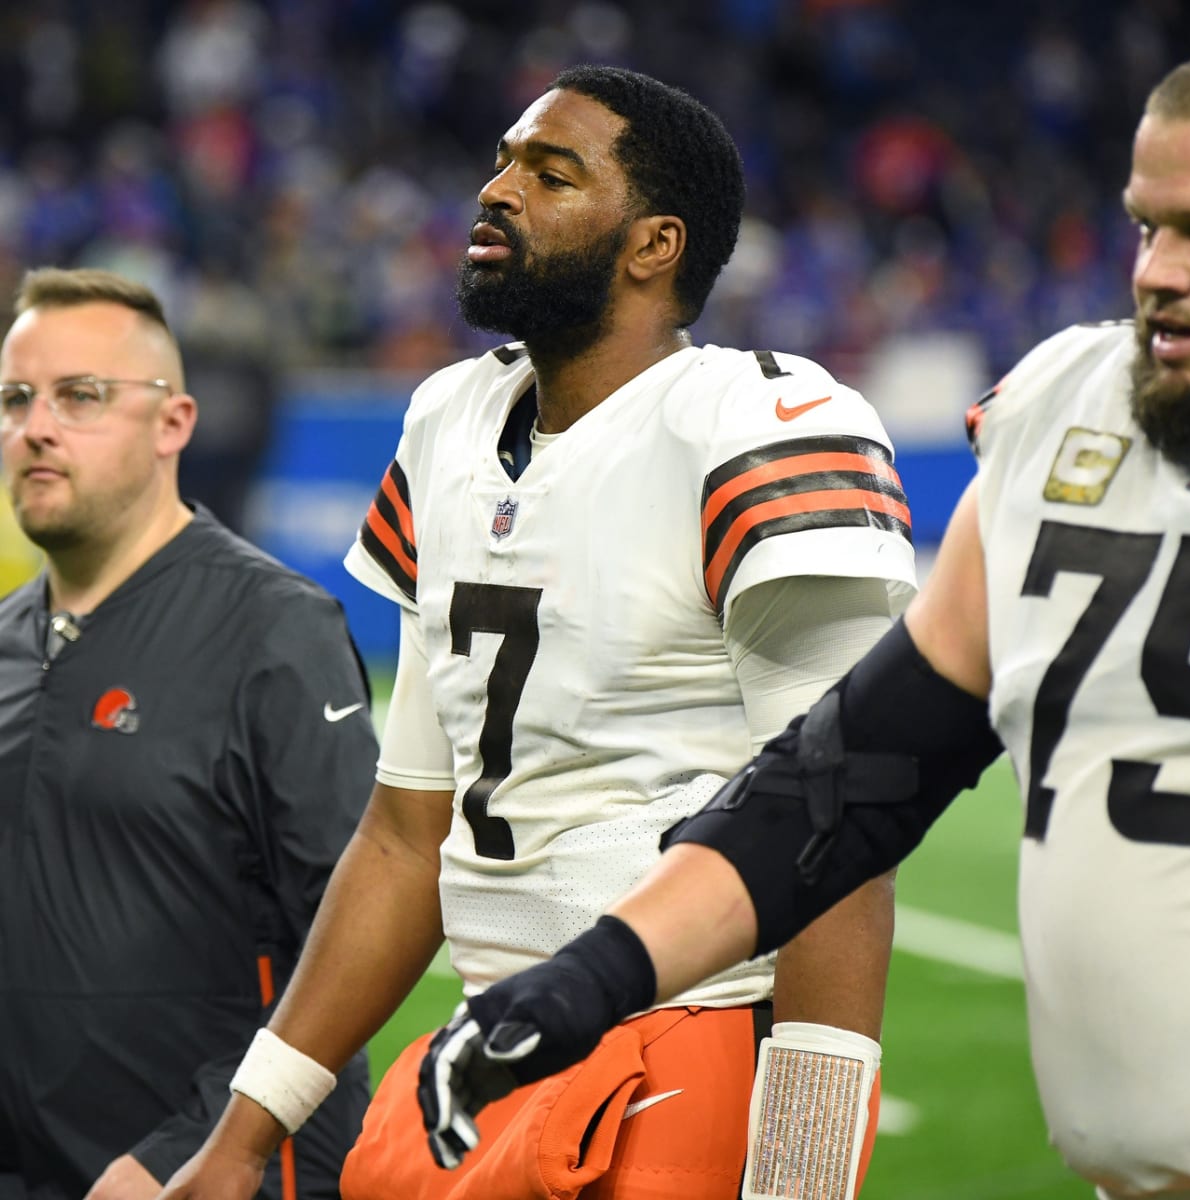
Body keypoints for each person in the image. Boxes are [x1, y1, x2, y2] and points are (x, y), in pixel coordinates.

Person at [418, 54, 1190, 1200]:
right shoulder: (1066, 419)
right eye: (1144, 228)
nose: (1159, 276)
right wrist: (593, 975)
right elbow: (844, 784)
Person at [159, 64, 917, 1200]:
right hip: (496, 1037)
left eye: (550, 173)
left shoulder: (746, 419)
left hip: (689, 1039)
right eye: (506, 158)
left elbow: (839, 832)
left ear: (654, 245)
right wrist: (243, 1138)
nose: (497, 188)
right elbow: (410, 833)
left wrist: (804, 1169)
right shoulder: (449, 419)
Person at [0, 267, 377, 1199]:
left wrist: (187, 1151)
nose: (35, 426)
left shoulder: (275, 630)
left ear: (174, 424)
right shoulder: (6, 642)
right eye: (15, 397)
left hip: (217, 1176)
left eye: (80, 396)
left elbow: (353, 941)